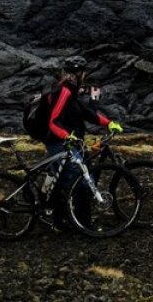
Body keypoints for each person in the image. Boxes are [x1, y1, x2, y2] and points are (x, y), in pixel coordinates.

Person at [43, 55, 123, 228]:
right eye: (83, 72)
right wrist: (66, 136)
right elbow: (53, 121)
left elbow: (86, 113)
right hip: (60, 143)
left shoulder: (71, 91)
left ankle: (62, 222)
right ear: (78, 73)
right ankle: (83, 226)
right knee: (81, 182)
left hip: (69, 142)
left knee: (72, 180)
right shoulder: (64, 91)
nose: (85, 76)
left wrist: (108, 123)